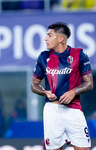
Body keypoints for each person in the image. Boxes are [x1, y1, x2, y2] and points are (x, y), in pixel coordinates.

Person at [31, 22, 94, 150]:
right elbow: (34, 84)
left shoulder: (79, 54)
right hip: (52, 111)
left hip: (74, 110)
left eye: (49, 35)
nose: (45, 39)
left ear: (60, 39)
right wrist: (45, 92)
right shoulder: (44, 57)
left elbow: (89, 83)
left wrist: (74, 92)